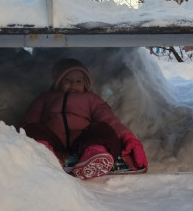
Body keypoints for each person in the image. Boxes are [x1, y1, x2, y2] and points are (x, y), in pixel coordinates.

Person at [19, 58, 147, 179]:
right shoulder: (45, 98)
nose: (73, 84)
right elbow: (30, 120)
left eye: (78, 81)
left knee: (102, 128)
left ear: (85, 83)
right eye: (67, 80)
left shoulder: (91, 99)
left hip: (82, 142)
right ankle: (43, 152)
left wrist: (128, 138)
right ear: (58, 82)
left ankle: (95, 156)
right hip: (53, 142)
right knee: (32, 128)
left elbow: (109, 120)